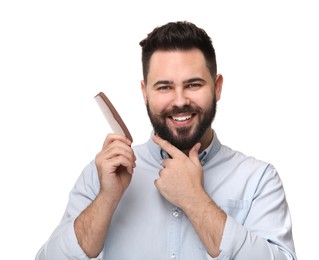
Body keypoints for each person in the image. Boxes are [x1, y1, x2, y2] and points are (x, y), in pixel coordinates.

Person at [36, 21, 297, 260]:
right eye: (164, 87)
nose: (180, 100)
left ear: (217, 88)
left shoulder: (259, 179)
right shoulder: (103, 175)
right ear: (145, 93)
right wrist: (106, 199)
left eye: (194, 85)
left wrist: (194, 200)